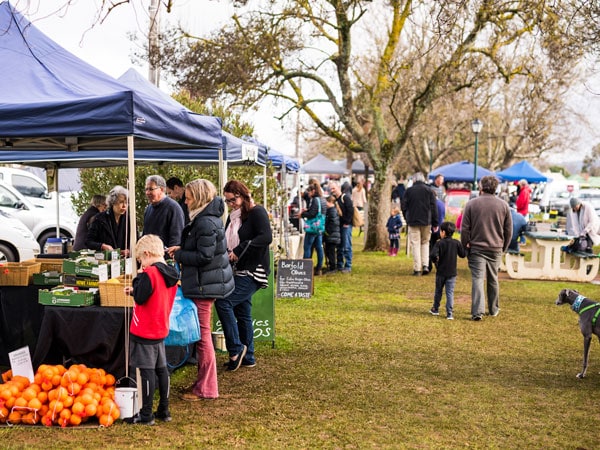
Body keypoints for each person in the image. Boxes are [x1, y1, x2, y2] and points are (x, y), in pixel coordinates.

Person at [167, 179, 235, 401]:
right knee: (202, 335)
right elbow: (204, 249)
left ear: (198, 197)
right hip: (206, 283)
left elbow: (204, 256)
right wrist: (183, 248)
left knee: (203, 337)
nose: (184, 202)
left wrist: (179, 255)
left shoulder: (205, 221)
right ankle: (203, 383)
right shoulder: (206, 218)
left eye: (187, 197)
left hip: (204, 285)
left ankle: (207, 388)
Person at [215, 180, 273, 371]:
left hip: (253, 269)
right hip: (237, 268)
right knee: (242, 311)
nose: (230, 203)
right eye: (227, 201)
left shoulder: (257, 212)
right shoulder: (233, 217)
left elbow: (266, 237)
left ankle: (236, 349)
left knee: (224, 302)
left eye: (232, 199)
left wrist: (239, 249)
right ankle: (248, 357)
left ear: (241, 195)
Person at [123, 234, 179, 425]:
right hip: (160, 326)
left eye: (141, 259)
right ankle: (164, 409)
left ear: (146, 254)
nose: (141, 263)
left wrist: (138, 278)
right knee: (162, 369)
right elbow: (154, 293)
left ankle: (146, 414)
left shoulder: (149, 274)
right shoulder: (170, 273)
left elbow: (140, 297)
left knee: (146, 371)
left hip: (145, 328)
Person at [460, 175, 512, 321]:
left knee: (477, 278)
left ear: (481, 187)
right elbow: (508, 230)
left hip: (476, 248)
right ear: (495, 188)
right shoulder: (503, 205)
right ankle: (493, 309)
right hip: (496, 247)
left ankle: (477, 311)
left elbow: (465, 229)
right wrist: (504, 247)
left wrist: (465, 244)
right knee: (493, 278)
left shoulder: (472, 204)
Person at [401, 172, 439, 276]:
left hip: (413, 221)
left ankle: (417, 268)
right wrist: (435, 222)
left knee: (415, 243)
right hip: (426, 221)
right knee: (425, 243)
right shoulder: (429, 191)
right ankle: (425, 265)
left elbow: (404, 206)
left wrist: (407, 218)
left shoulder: (409, 191)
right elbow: (434, 208)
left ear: (414, 180)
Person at [430, 221, 466, 320]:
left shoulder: (439, 243)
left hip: (441, 272)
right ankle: (449, 313)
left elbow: (433, 255)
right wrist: (466, 248)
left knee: (438, 291)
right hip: (452, 273)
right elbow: (463, 254)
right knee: (450, 293)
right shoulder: (456, 243)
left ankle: (435, 308)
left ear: (443, 232)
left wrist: (435, 261)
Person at [142, 175, 185, 251]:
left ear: (161, 189)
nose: (148, 192)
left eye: (151, 189)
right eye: (146, 189)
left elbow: (176, 239)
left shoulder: (173, 208)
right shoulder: (148, 209)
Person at [85, 186, 130, 256]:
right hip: (104, 260)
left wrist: (127, 250)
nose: (124, 206)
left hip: (123, 261)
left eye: (126, 202)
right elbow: (88, 241)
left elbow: (133, 241)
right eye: (121, 202)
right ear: (113, 203)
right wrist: (102, 246)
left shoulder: (129, 220)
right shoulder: (99, 219)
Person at [300, 181, 326, 276]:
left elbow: (312, 214)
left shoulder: (315, 200)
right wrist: (308, 210)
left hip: (312, 227)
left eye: (310, 192)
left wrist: (302, 214)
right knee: (319, 247)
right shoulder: (323, 199)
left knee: (307, 247)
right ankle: (319, 267)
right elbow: (318, 211)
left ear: (313, 191)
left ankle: (305, 269)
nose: (309, 194)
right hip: (320, 227)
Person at [329, 180, 353, 272]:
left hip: (346, 225)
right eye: (331, 188)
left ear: (338, 188)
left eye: (334, 188)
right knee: (339, 245)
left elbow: (350, 211)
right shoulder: (334, 199)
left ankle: (348, 265)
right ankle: (339, 264)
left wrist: (347, 222)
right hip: (339, 226)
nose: (332, 190)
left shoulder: (345, 198)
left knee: (347, 245)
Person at [428, 197, 446, 272]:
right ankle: (439, 264)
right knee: (439, 248)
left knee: (430, 247)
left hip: (433, 228)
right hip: (440, 229)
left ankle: (429, 265)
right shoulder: (442, 204)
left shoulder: (431, 203)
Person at [323, 194, 341, 273]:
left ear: (330, 202)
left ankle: (333, 267)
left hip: (332, 235)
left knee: (331, 252)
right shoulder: (331, 210)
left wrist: (327, 232)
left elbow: (333, 223)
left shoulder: (332, 211)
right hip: (332, 234)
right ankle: (331, 265)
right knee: (329, 251)